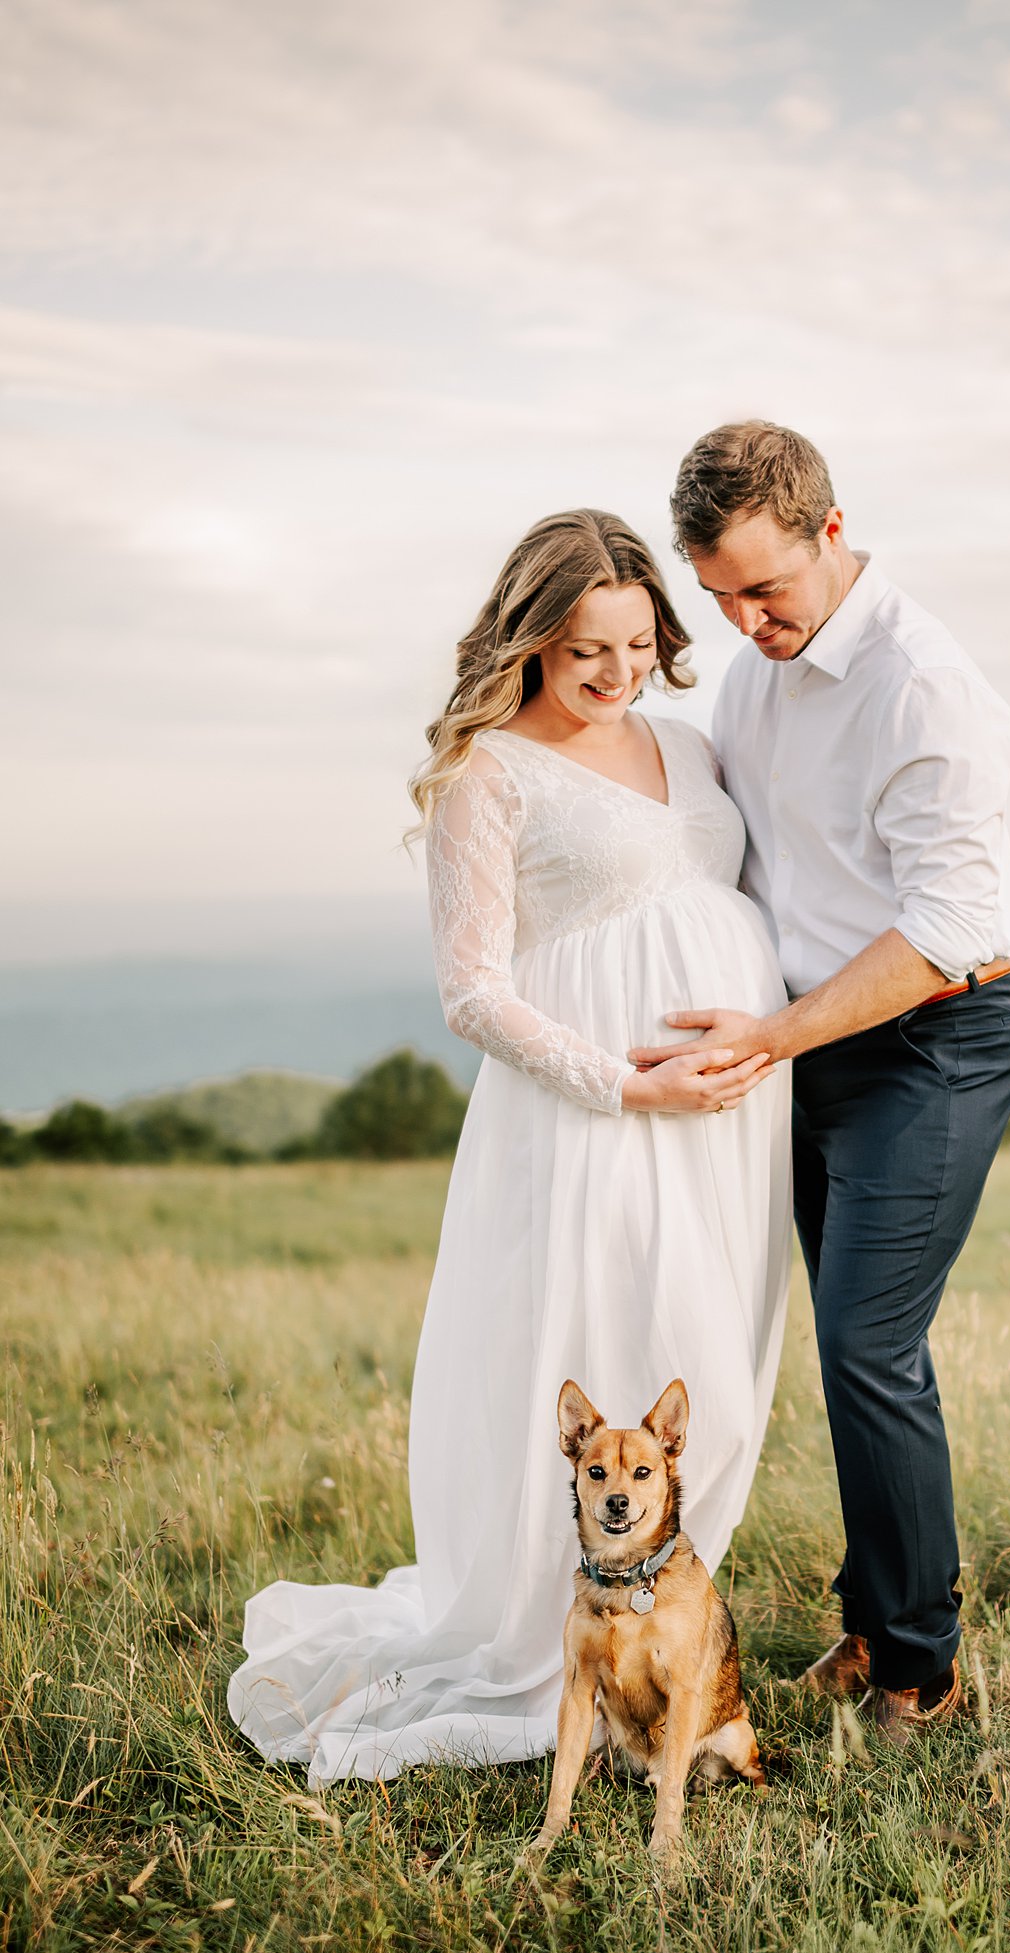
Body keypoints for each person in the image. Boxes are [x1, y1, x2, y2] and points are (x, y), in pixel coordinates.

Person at [227, 509, 791, 1787]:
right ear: (529, 637)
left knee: (709, 1365)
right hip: (591, 1120)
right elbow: (473, 992)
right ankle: (558, 1654)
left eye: (639, 642)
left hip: (727, 1125)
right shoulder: (491, 771)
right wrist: (626, 1084)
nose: (616, 672)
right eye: (586, 647)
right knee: (604, 1342)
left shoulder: (690, 747)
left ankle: (657, 1635)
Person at [631, 423, 1010, 1744]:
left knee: (870, 1344)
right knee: (842, 1344)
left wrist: (776, 1035)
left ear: (832, 530)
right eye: (718, 596)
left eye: (766, 589)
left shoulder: (924, 687)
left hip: (930, 1042)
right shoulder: (754, 673)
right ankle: (868, 1624)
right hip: (803, 1039)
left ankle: (919, 1665)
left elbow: (947, 928)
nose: (744, 622)